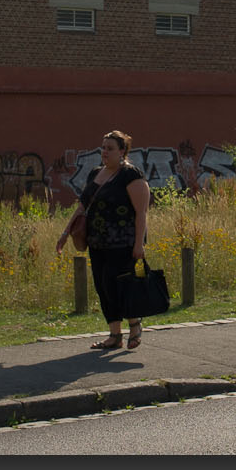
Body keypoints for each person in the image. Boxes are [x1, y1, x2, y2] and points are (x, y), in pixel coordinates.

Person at [56, 130, 151, 350]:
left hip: (123, 242)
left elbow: (141, 213)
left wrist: (139, 244)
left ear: (122, 151)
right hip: (97, 242)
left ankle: (135, 324)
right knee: (102, 286)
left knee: (116, 284)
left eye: (110, 148)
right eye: (103, 147)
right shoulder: (95, 174)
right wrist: (65, 233)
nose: (104, 152)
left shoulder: (131, 175)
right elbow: (82, 207)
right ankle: (115, 336)